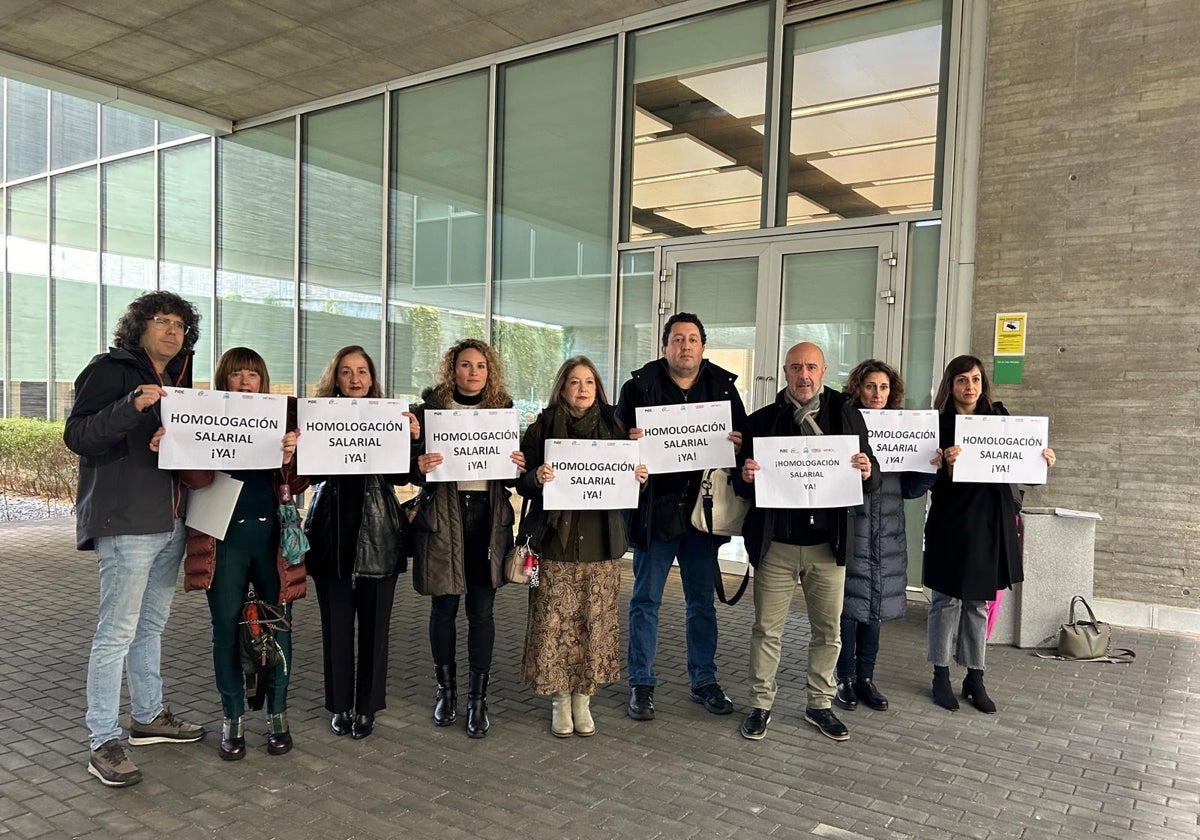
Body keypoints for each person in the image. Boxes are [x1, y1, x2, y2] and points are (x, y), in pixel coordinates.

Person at [65, 290, 207, 788]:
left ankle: (148, 716)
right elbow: (77, 436)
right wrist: (131, 405)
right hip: (126, 522)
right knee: (116, 633)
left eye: (180, 325)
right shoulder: (111, 370)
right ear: (139, 327)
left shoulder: (178, 380)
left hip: (169, 521)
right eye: (162, 321)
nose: (172, 331)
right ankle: (102, 739)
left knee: (150, 627)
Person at [151, 348, 308, 760]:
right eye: (236, 375)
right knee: (224, 630)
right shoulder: (205, 418)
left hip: (273, 539)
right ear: (224, 379)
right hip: (221, 539)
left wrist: (292, 457)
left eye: (252, 375)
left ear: (263, 381)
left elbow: (301, 480)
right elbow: (198, 480)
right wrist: (179, 447)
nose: (244, 382)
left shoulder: (282, 419)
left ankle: (278, 715)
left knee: (279, 627)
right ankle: (233, 719)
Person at [735, 342, 878, 742]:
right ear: (784, 371)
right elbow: (740, 484)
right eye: (796, 367)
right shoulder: (761, 421)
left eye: (811, 367)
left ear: (824, 370)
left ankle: (820, 704)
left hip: (827, 546)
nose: (804, 375)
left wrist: (867, 471)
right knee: (767, 630)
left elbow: (873, 474)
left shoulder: (846, 416)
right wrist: (745, 476)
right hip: (776, 544)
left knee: (828, 631)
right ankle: (760, 705)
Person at [615, 313, 747, 721]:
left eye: (692, 339)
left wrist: (739, 444)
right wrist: (628, 441)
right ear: (664, 347)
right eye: (677, 339)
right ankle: (641, 682)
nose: (685, 346)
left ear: (703, 347)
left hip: (701, 514)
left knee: (701, 603)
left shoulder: (723, 388)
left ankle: (703, 680)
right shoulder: (638, 387)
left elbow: (743, 449)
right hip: (655, 512)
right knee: (644, 601)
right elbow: (616, 448)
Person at [516, 356, 649, 737]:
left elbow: (632, 478)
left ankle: (583, 699)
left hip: (602, 544)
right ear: (562, 387)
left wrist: (640, 475)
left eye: (589, 381)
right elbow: (519, 480)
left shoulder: (614, 425)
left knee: (594, 623)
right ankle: (560, 699)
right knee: (554, 625)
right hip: (555, 544)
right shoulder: (542, 426)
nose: (583, 388)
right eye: (575, 382)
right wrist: (535, 477)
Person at [924, 355, 1055, 713]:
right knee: (946, 601)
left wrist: (1041, 461)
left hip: (989, 522)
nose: (970, 387)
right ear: (950, 384)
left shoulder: (999, 419)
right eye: (963, 379)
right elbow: (922, 479)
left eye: (977, 380)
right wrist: (944, 466)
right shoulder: (935, 425)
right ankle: (940, 673)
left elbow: (1018, 470)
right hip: (951, 521)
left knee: (978, 604)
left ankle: (975, 676)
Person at [302, 345, 420, 740]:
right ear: (336, 377)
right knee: (335, 628)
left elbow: (404, 477)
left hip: (379, 533)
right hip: (330, 533)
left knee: (375, 628)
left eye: (363, 372)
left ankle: (367, 706)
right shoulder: (318, 418)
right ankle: (340, 705)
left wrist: (413, 440)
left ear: (372, 379)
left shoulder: (389, 418)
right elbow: (306, 476)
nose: (355, 378)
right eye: (347, 371)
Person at [411, 338, 525, 738]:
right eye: (464, 365)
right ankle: (446, 690)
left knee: (481, 612)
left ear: (489, 371)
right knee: (443, 609)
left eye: (480, 366)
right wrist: (417, 460)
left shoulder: (504, 413)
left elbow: (515, 478)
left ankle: (478, 698)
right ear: (452, 369)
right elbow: (406, 467)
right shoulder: (428, 412)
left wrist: (517, 465)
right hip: (444, 516)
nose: (473, 372)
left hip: (488, 519)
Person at [834, 360, 936, 714]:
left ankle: (866, 678)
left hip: (888, 532)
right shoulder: (843, 424)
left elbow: (909, 488)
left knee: (874, 609)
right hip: (852, 527)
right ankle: (843, 678)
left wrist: (929, 471)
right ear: (857, 389)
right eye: (870, 387)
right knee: (848, 608)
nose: (877, 394)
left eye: (884, 388)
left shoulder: (900, 429)